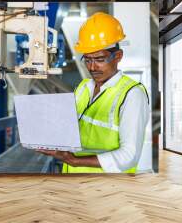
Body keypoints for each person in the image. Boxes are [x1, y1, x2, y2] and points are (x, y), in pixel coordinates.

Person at [37, 12, 150, 173]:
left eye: (99, 59)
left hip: (109, 189)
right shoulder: (83, 87)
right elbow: (70, 129)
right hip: (74, 183)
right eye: (88, 59)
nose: (92, 67)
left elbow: (129, 156)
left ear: (118, 56)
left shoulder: (132, 94)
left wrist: (76, 161)